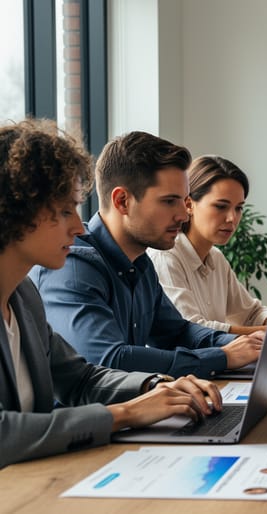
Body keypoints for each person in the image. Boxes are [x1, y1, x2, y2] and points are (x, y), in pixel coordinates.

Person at [0, 119, 223, 468]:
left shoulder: (23, 296)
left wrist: (153, 386)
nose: (78, 226)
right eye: (64, 211)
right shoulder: (69, 270)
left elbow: (80, 378)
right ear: (13, 210)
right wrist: (125, 413)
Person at [29, 131, 265, 379]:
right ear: (122, 201)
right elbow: (110, 359)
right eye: (169, 201)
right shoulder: (73, 265)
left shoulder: (140, 262)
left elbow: (178, 332)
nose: (183, 215)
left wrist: (247, 345)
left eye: (183, 200)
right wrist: (223, 356)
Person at [148, 156, 267, 342]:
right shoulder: (165, 258)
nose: (232, 218)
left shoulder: (216, 257)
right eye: (220, 206)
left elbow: (252, 312)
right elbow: (193, 330)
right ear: (189, 205)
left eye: (238, 208)